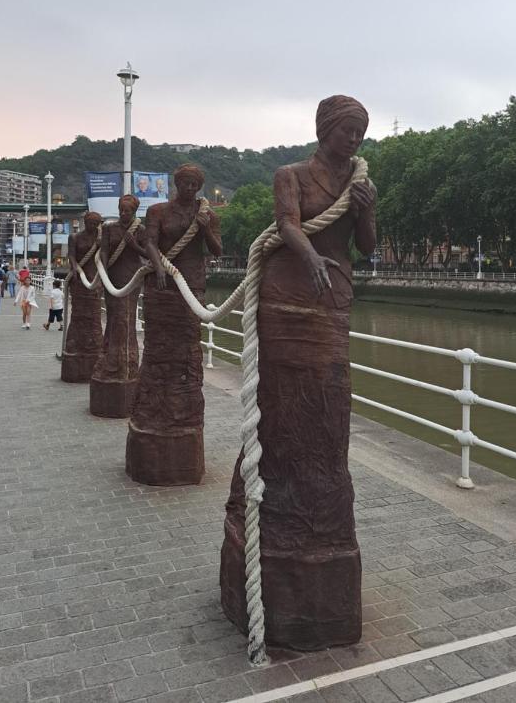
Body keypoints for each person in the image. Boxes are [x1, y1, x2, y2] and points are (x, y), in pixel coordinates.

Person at [220, 95, 377, 652]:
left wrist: (367, 208)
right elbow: (287, 226)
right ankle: (273, 506)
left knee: (331, 407)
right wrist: (310, 258)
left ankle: (324, 515)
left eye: (361, 131)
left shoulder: (358, 182)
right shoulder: (290, 175)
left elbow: (367, 247)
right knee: (282, 409)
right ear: (324, 129)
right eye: (347, 130)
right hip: (288, 300)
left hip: (332, 304)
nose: (354, 139)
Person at [127, 164, 221, 485]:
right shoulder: (157, 211)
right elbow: (150, 242)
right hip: (161, 286)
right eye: (186, 182)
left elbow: (217, 249)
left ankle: (184, 411)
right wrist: (159, 266)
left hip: (191, 285)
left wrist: (206, 228)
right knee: (158, 347)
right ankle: (153, 409)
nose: (191, 187)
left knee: (187, 347)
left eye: (196, 183)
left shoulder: (206, 213)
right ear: (176, 183)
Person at [90, 195, 146, 417]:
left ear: (134, 212)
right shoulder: (109, 229)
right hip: (112, 276)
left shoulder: (139, 230)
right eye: (122, 210)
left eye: (128, 211)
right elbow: (103, 251)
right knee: (114, 317)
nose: (124, 214)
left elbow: (146, 253)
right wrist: (102, 272)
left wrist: (134, 246)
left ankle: (126, 362)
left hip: (130, 278)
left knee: (126, 319)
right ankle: (110, 355)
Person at [61, 211, 103, 382]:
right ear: (85, 222)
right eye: (90, 223)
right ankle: (75, 343)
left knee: (93, 315)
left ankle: (93, 344)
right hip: (79, 278)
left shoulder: (100, 239)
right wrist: (75, 268)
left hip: (94, 278)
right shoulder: (75, 237)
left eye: (96, 223)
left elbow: (103, 258)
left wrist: (101, 245)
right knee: (78, 314)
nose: (93, 226)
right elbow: (71, 255)